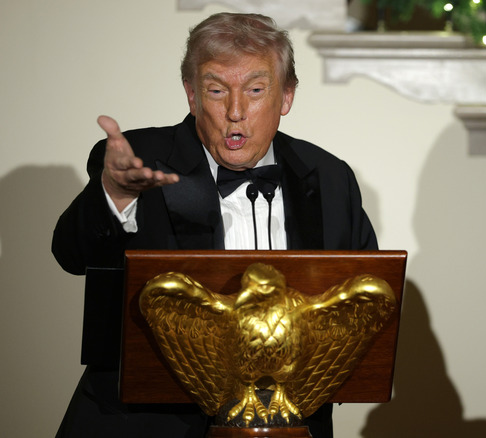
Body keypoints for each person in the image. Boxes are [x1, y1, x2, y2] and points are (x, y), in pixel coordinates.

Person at [52, 12, 376, 438]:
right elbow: (72, 256)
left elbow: (367, 305)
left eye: (256, 90)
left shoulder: (330, 176)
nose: (236, 111)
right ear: (191, 95)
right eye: (217, 90)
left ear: (286, 97)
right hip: (143, 426)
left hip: (292, 426)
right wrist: (114, 195)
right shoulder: (139, 159)